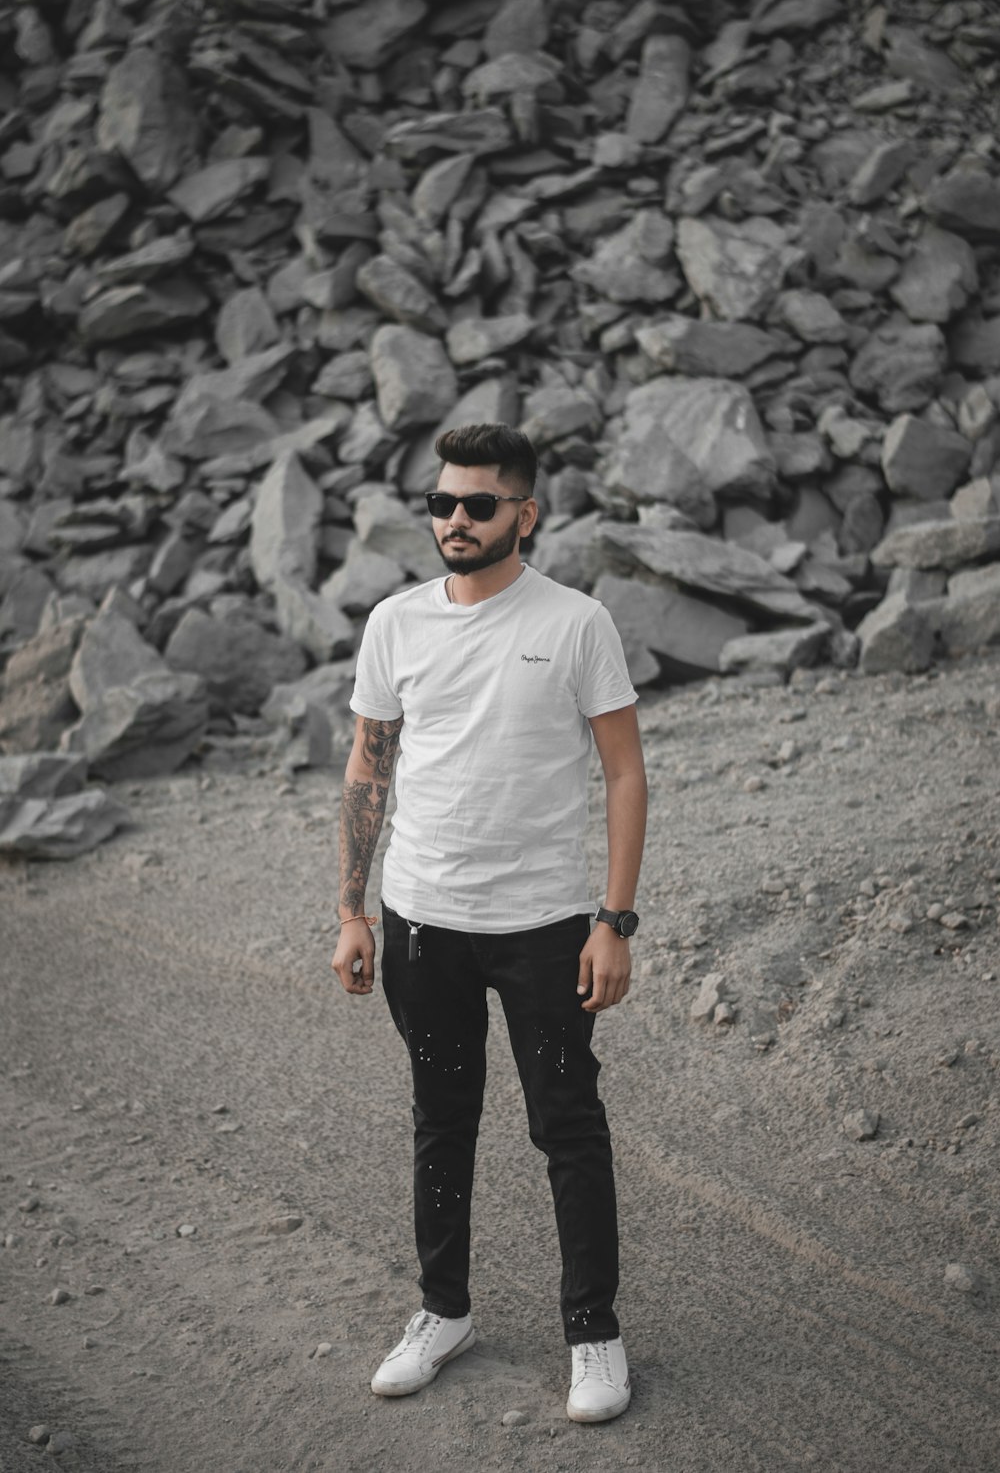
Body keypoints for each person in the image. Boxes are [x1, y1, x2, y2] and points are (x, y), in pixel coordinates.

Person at [330, 422, 647, 1423]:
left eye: (477, 504)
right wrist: (350, 909)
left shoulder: (577, 621)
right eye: (440, 502)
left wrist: (615, 920)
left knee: (567, 1125)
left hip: (546, 928)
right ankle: (443, 1311)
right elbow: (368, 766)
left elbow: (624, 772)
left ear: (525, 513)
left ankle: (593, 1333)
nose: (454, 521)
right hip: (422, 924)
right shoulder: (395, 624)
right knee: (441, 1119)